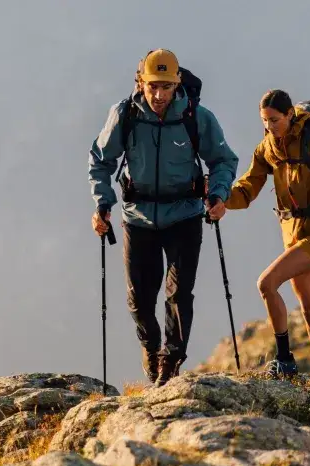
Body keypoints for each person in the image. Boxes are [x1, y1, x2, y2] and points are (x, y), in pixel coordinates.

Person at [88, 49, 239, 386]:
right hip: (138, 218)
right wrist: (103, 203)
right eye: (153, 86)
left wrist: (218, 195)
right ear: (141, 82)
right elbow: (101, 160)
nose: (159, 95)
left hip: (185, 215)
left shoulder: (196, 117)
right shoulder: (125, 114)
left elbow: (223, 160)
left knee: (179, 292)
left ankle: (169, 363)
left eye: (166, 86)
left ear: (177, 83)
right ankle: (150, 348)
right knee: (140, 298)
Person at [224, 89, 310, 405]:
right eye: (264, 121)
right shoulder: (267, 149)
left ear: (288, 116)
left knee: (266, 283)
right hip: (292, 232)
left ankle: (285, 361)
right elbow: (246, 191)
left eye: (274, 120)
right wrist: (218, 196)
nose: (269, 126)